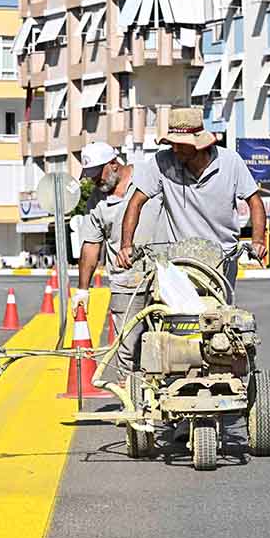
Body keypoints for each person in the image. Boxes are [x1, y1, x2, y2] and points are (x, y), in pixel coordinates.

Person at [115, 107, 267, 291]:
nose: (175, 148)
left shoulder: (230, 161)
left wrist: (258, 241)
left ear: (199, 144)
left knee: (218, 315)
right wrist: (126, 245)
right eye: (172, 143)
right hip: (180, 257)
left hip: (222, 258)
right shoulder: (163, 161)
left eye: (181, 143)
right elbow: (136, 202)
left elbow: (255, 202)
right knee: (176, 314)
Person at [72, 141, 167, 380]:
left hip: (165, 274)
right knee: (128, 349)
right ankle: (133, 407)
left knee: (171, 343)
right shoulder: (96, 201)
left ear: (114, 164)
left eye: (98, 174)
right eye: (90, 176)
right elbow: (91, 246)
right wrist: (83, 290)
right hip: (126, 283)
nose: (95, 181)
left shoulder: (148, 175)